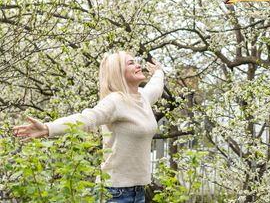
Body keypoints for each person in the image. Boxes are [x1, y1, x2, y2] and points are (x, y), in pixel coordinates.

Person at [13, 51, 164, 203]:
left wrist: (158, 72)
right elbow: (85, 119)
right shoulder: (115, 101)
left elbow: (156, 87)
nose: (138, 65)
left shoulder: (143, 97)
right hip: (115, 193)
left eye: (136, 61)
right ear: (118, 72)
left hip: (138, 192)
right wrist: (48, 128)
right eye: (131, 63)